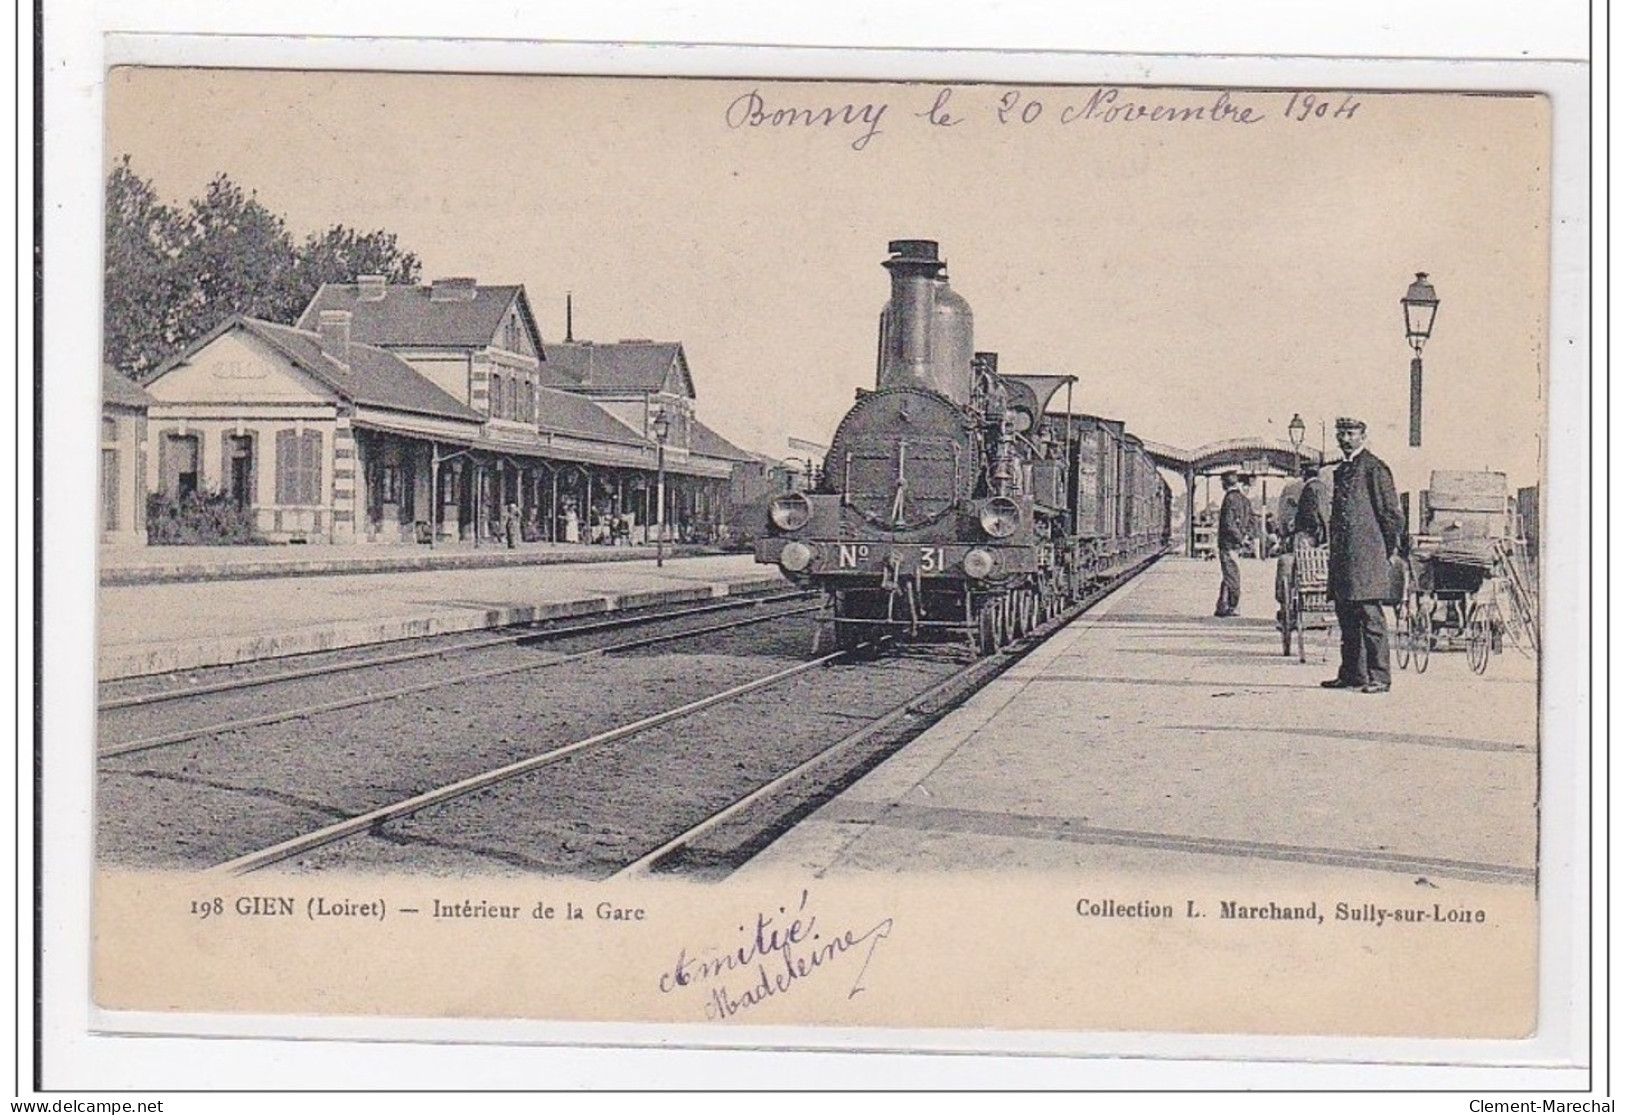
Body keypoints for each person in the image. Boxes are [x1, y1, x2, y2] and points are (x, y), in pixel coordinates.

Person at [1323, 417, 1407, 694]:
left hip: (1367, 556)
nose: (1345, 438)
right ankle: (1352, 674)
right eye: (1341, 433)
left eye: (1350, 433)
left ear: (1363, 436)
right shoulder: (1343, 469)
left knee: (1371, 617)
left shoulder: (1374, 468)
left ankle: (1379, 677)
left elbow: (1391, 515)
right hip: (1344, 556)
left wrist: (1384, 549)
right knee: (1346, 614)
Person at [1213, 471, 1250, 617]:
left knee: (1231, 575)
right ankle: (1222, 605)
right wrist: (1246, 537)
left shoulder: (1229, 498)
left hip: (1228, 543)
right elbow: (1252, 520)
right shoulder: (1243, 499)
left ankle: (1233, 606)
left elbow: (1228, 523)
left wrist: (1239, 537)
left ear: (1224, 483)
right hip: (1237, 544)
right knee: (1229, 573)